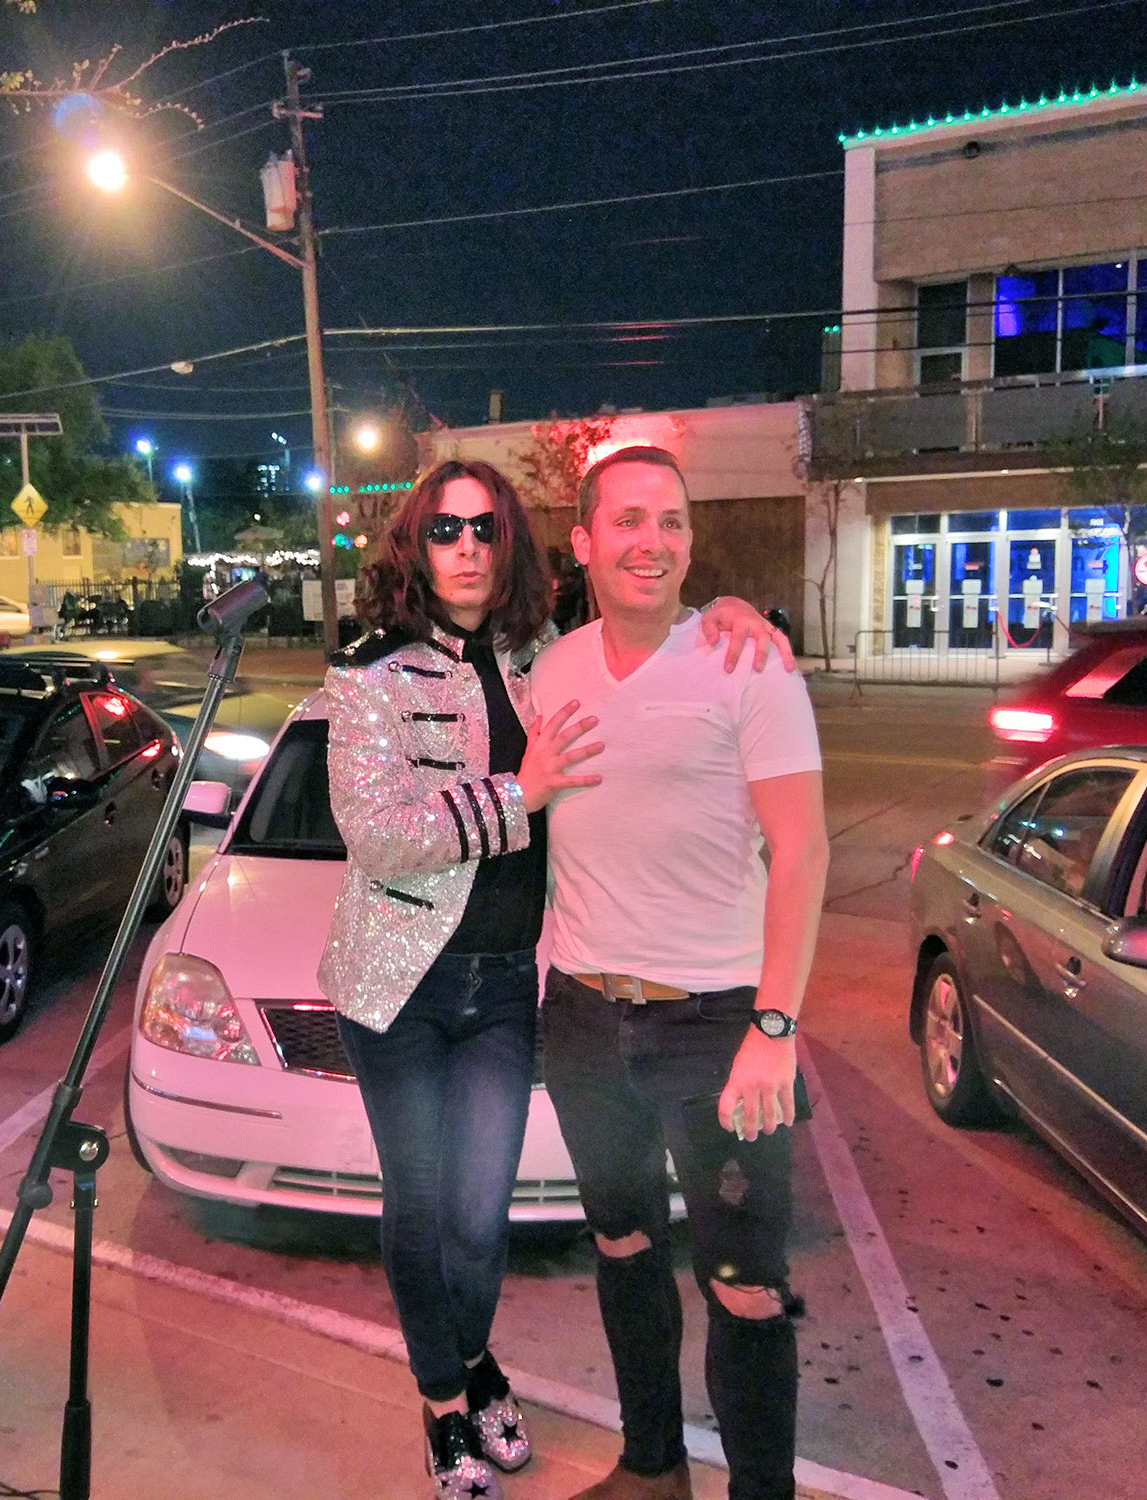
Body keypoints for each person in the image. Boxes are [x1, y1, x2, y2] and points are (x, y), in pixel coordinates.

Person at [319, 457, 787, 1499]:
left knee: (479, 1218)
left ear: (516, 546)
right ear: (413, 544)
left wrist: (724, 610)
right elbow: (377, 837)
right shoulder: (367, 672)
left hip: (498, 984)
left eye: (486, 529)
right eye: (445, 530)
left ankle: (471, 1356)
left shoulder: (544, 653)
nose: (467, 548)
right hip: (396, 985)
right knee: (420, 1199)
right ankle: (446, 1404)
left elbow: (643, 601)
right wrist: (516, 793)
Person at [532, 446, 828, 1500]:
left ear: (689, 542)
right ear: (582, 544)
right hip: (580, 1017)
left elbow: (801, 851)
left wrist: (775, 1027)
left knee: (745, 1286)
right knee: (619, 1246)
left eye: (669, 522)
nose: (649, 542)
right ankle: (651, 1467)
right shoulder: (550, 670)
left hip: (719, 1027)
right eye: (626, 521)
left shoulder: (747, 664)